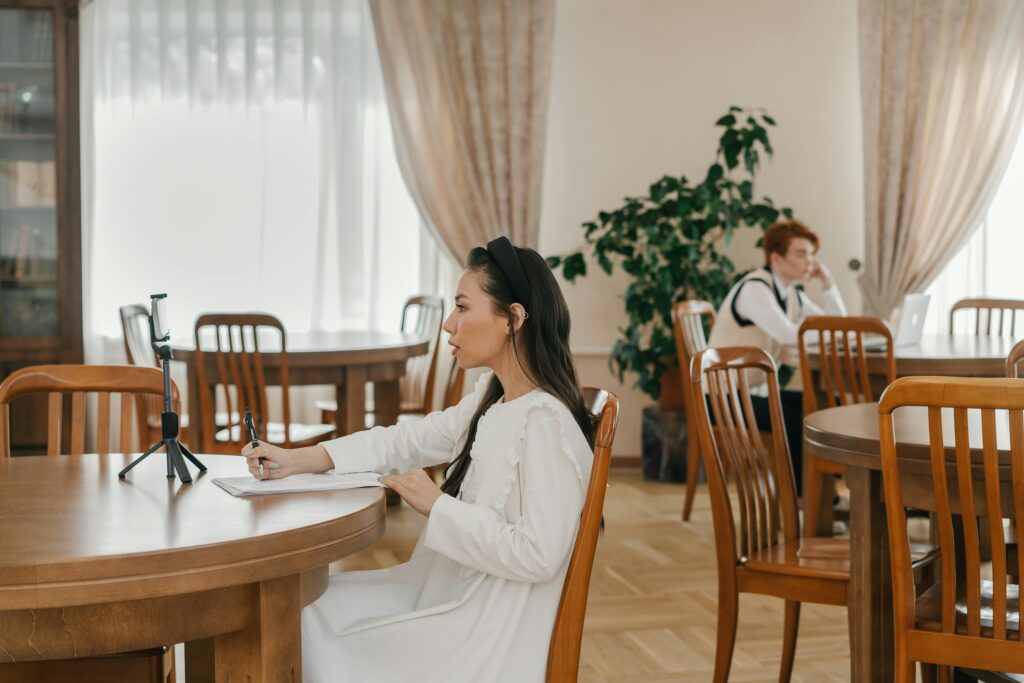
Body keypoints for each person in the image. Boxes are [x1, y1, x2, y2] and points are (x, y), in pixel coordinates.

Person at [242, 237, 596, 683]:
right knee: (295, 605)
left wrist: (437, 505)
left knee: (296, 618)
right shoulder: (493, 400)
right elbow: (406, 440)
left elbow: (539, 556)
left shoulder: (544, 421)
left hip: (485, 630)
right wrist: (302, 459)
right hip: (446, 594)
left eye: (463, 308)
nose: (450, 324)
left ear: (514, 318)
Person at [707, 219, 847, 490]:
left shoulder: (791, 294)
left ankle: (823, 496)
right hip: (721, 398)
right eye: (801, 253)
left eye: (811, 254)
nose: (809, 261)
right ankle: (800, 499)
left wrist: (828, 284)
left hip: (750, 394)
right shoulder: (755, 289)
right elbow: (789, 336)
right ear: (776, 258)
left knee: (827, 403)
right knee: (796, 418)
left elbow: (835, 326)